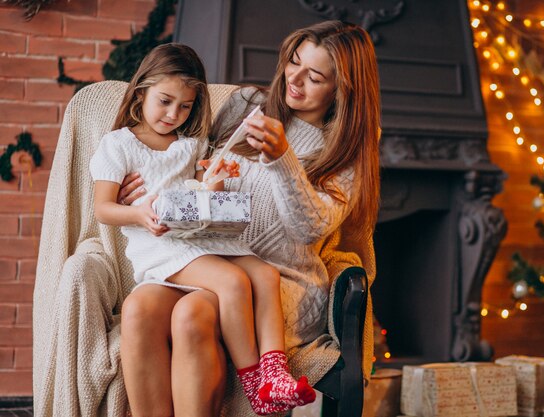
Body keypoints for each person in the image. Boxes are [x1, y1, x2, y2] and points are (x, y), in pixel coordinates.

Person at [117, 20, 381, 416]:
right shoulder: (244, 105)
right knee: (139, 307)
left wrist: (283, 160)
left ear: (342, 88)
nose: (295, 79)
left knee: (192, 313)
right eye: (293, 62)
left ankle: (262, 383)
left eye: (314, 76)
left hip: (277, 283)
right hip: (209, 258)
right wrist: (137, 189)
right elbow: (191, 167)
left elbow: (311, 228)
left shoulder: (344, 152)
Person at [89, 42, 315, 417]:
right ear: (141, 90)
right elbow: (103, 208)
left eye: (185, 106)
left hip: (198, 237)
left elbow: (201, 194)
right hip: (162, 246)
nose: (173, 114)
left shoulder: (189, 145)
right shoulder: (118, 145)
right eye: (165, 101)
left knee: (263, 272)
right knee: (232, 282)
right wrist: (139, 214)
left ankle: (275, 370)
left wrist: (216, 180)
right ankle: (256, 383)